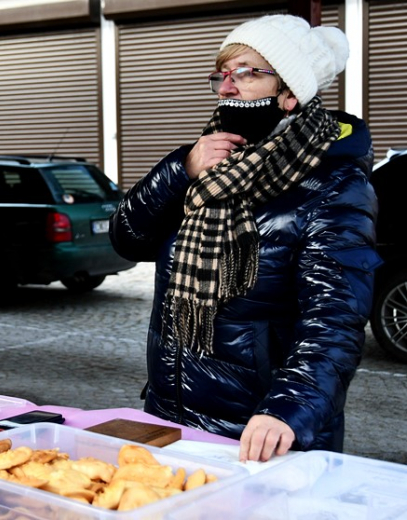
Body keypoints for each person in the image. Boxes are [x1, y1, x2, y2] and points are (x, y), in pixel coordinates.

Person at [109, 14, 380, 463]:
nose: (228, 88)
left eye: (248, 73)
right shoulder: (206, 166)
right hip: (171, 414)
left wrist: (288, 409)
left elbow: (334, 317)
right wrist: (180, 171)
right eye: (222, 75)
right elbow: (128, 240)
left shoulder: (335, 185)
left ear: (290, 93)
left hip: (261, 433)